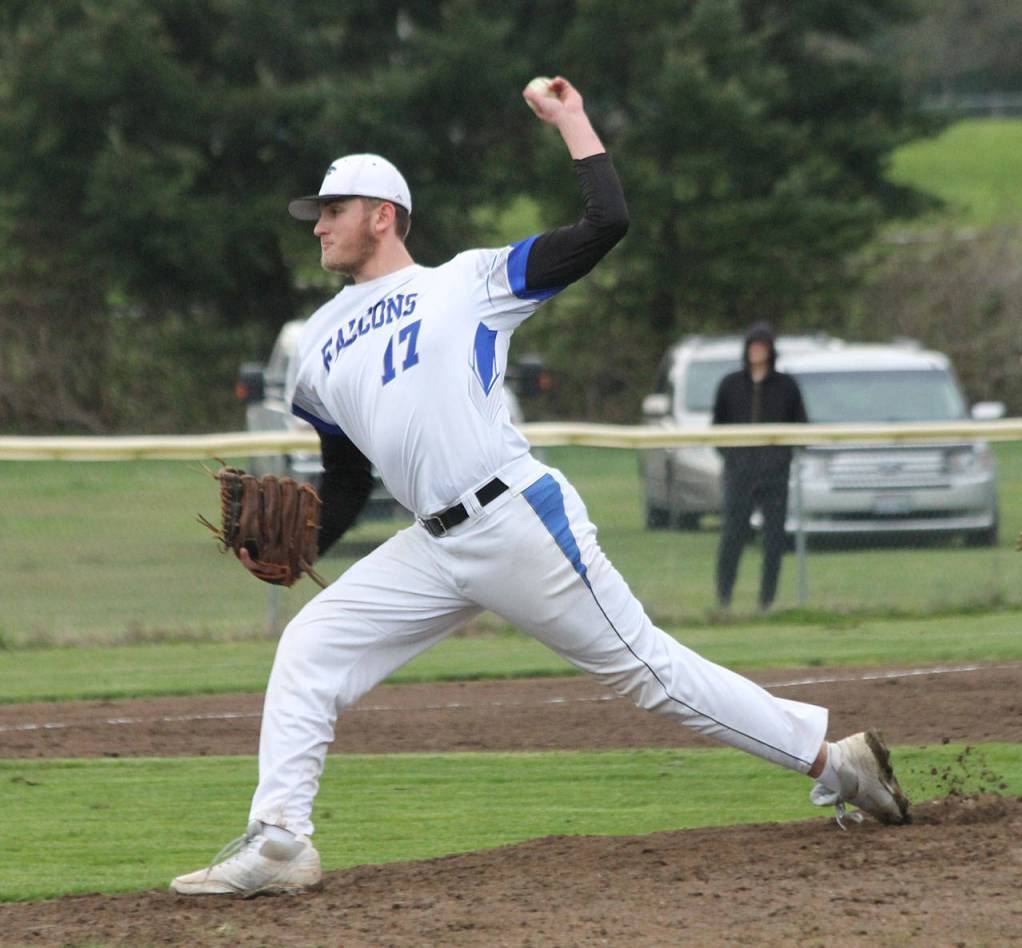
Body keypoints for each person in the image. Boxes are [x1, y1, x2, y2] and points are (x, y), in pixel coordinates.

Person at [171, 78, 908, 898]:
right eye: (317, 211)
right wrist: (302, 543)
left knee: (649, 674)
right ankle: (279, 842)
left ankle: (836, 761)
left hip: (515, 517)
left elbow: (606, 225)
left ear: (384, 214)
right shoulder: (316, 348)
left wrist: (573, 120)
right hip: (432, 544)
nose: (318, 224)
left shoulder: (469, 281)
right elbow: (345, 477)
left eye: (334, 207)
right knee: (310, 646)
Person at [712, 325, 808, 612]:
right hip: (739, 473)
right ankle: (724, 600)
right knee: (733, 535)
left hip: (774, 475)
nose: (757, 351)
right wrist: (733, 458)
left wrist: (779, 458)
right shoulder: (730, 384)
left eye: (762, 346)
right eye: (752, 346)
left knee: (774, 540)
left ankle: (766, 602)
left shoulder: (786, 386)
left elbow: (801, 427)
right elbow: (717, 428)